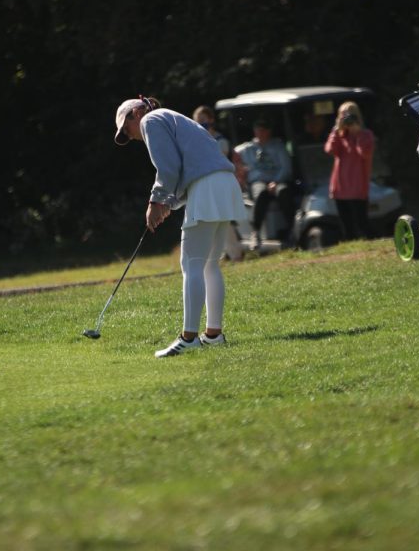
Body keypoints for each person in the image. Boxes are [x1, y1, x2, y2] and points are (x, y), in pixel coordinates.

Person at [114, 95, 247, 357]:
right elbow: (187, 169)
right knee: (209, 264)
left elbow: (169, 168)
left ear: (135, 113)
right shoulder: (175, 119)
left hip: (208, 187)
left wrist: (156, 201)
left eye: (126, 130)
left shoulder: (151, 120)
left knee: (191, 264)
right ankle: (213, 335)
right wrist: (168, 204)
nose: (131, 136)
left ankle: (188, 338)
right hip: (225, 185)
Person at [234, 117, 293, 251]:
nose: (261, 133)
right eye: (258, 130)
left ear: (269, 131)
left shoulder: (278, 146)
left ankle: (291, 230)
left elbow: (286, 167)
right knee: (260, 193)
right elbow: (232, 156)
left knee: (284, 192)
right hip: (258, 181)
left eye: (264, 130)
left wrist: (276, 182)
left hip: (278, 180)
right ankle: (256, 232)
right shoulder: (247, 148)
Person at [192, 105, 243, 262]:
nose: (202, 126)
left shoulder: (221, 141)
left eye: (204, 122)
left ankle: (235, 254)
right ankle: (220, 254)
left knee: (223, 220)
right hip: (204, 186)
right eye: (198, 123)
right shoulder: (196, 142)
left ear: (212, 121)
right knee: (209, 221)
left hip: (220, 185)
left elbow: (214, 162)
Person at [324, 101, 375, 240]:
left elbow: (365, 153)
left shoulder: (366, 135)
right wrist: (336, 130)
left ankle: (370, 246)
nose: (347, 119)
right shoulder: (339, 136)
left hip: (358, 186)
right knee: (346, 225)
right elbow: (330, 150)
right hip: (340, 187)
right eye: (343, 116)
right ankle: (351, 247)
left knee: (362, 223)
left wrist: (357, 134)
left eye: (350, 116)